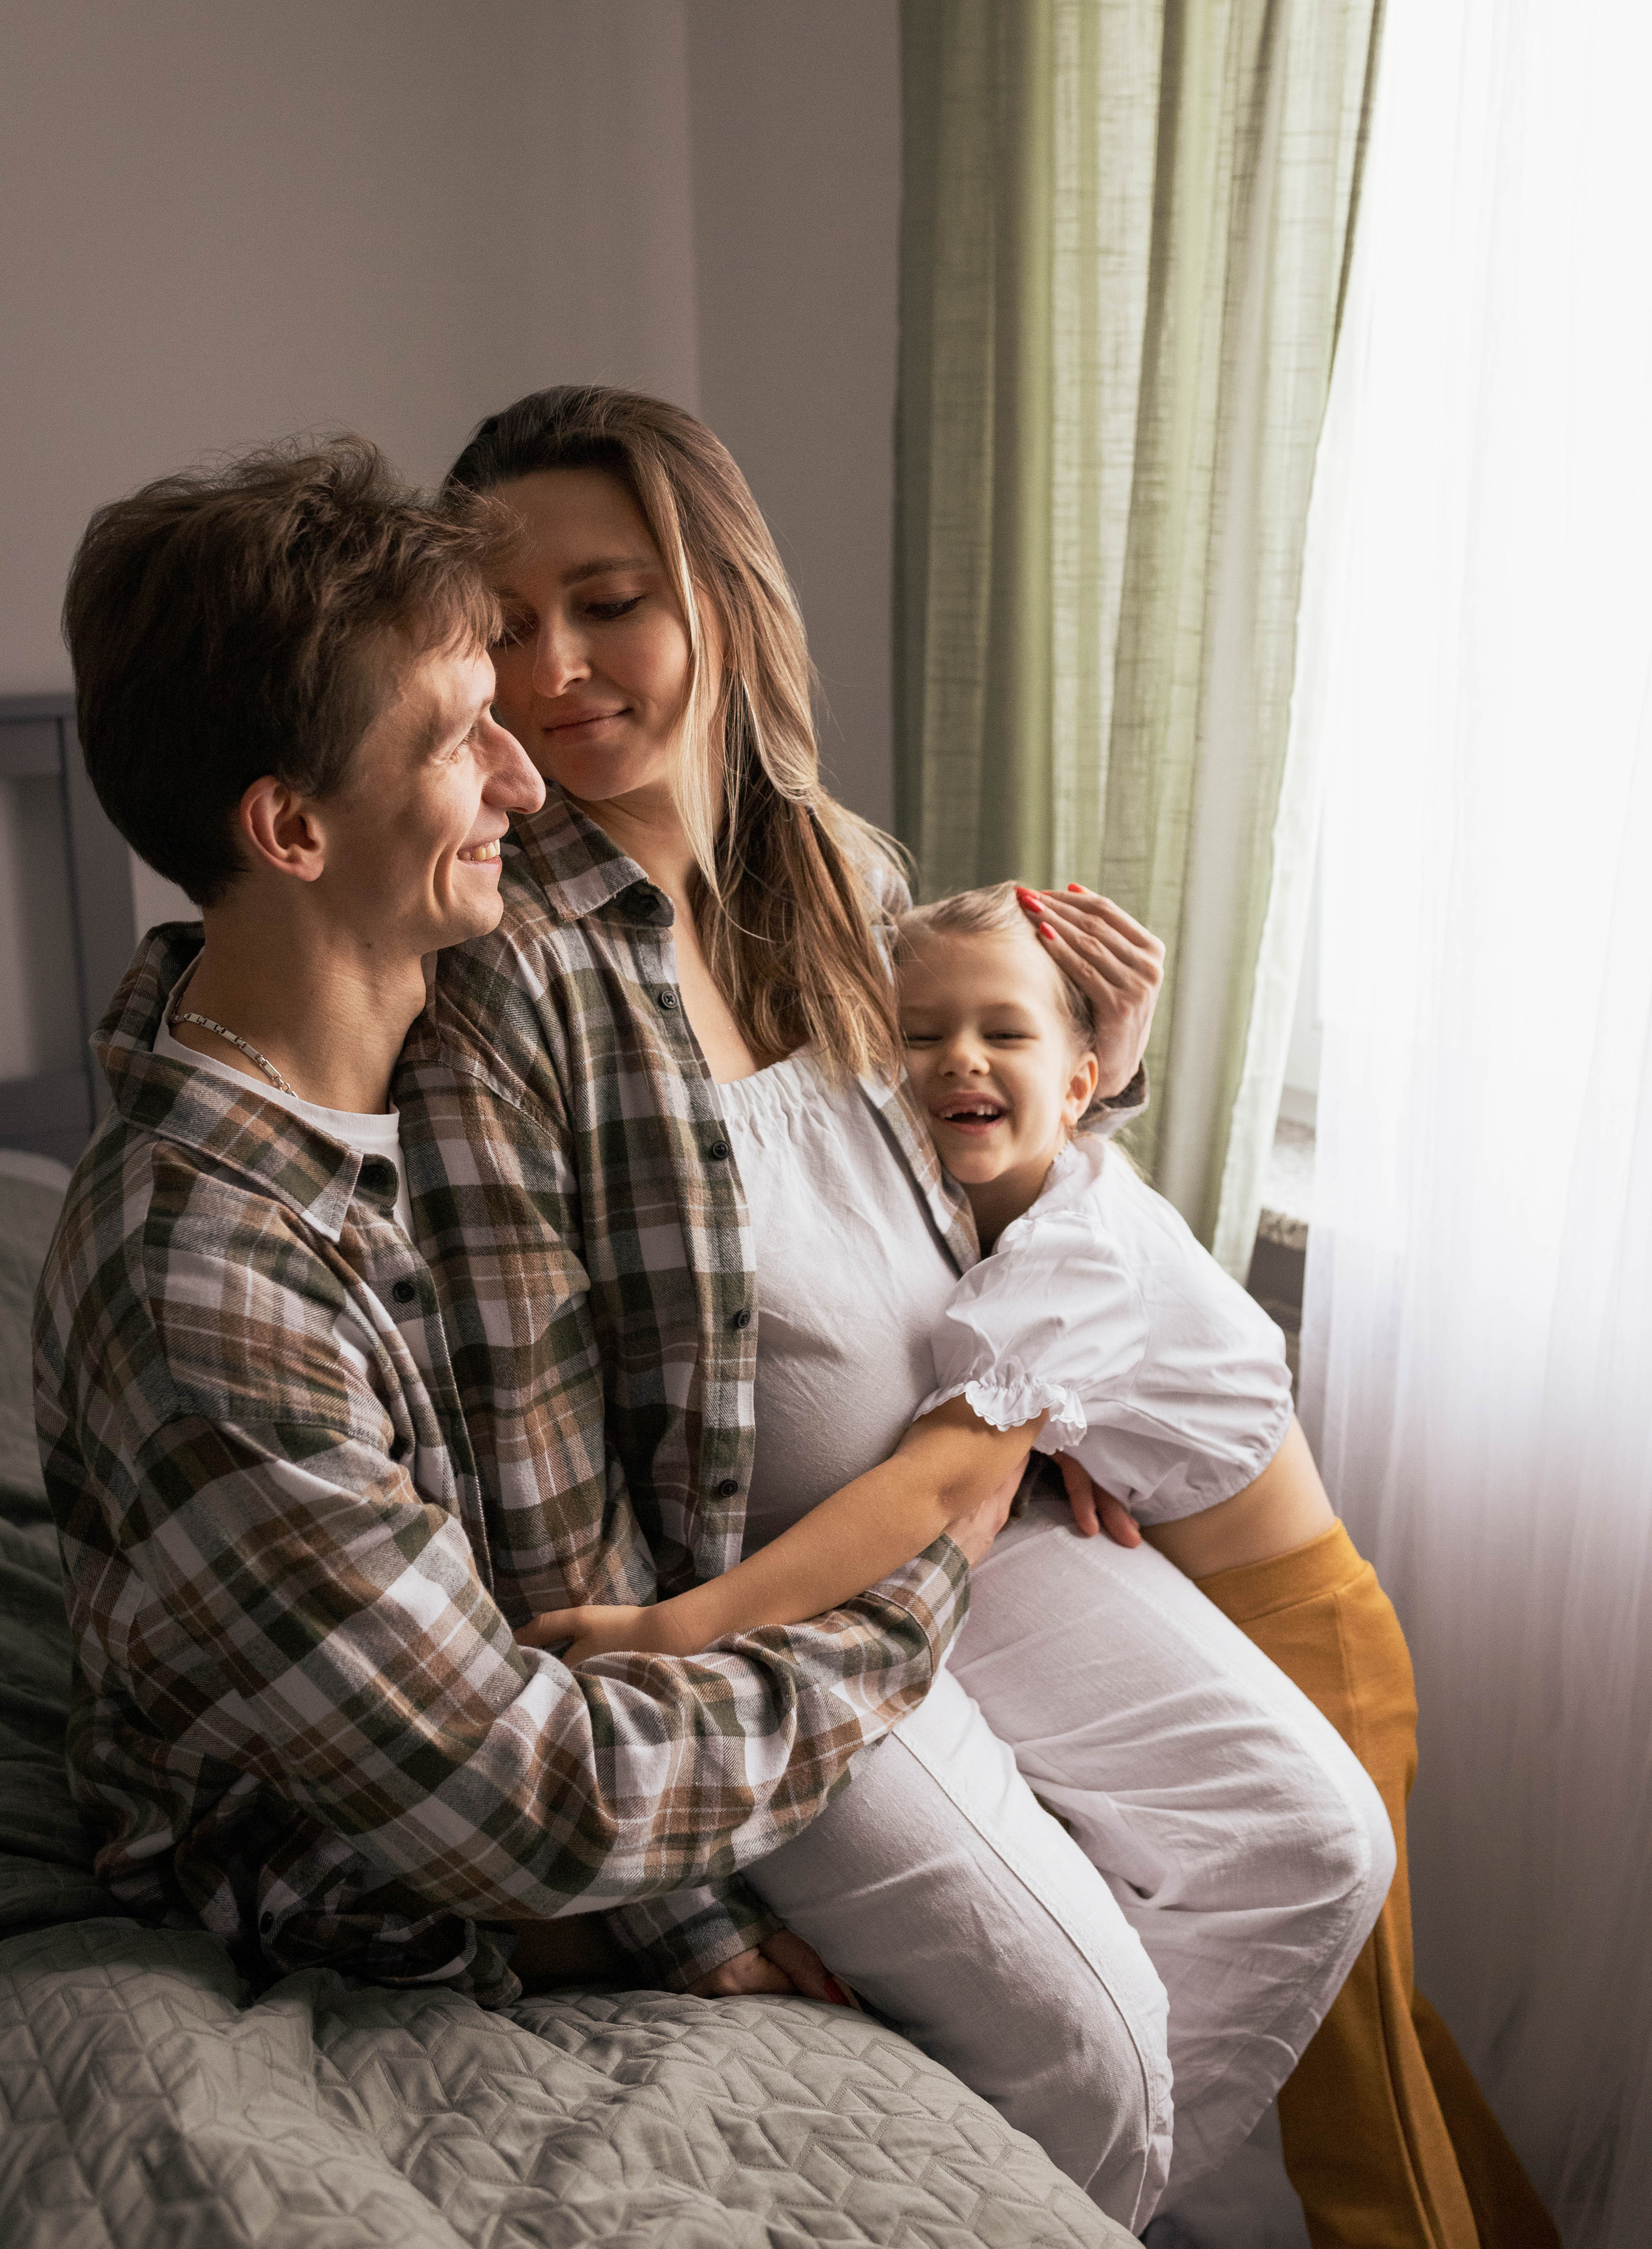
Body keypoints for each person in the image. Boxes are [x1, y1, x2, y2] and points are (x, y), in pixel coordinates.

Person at [396, 384, 1396, 2229]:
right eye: (504, 625)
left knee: (1312, 1839)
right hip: (761, 1609)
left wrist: (1050, 1366)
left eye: (608, 601)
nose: (555, 666)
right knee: (1086, 2050)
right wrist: (673, 1900)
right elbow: (536, 1477)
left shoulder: (844, 878)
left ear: (716, 596)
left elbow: (954, 1183)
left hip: (970, 1515)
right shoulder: (501, 971)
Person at [35, 439, 994, 2016]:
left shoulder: (434, 1100)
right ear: (290, 831)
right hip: (389, 1913)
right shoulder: (207, 1285)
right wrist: (923, 1579)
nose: (526, 779)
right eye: (456, 740)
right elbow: (537, 1809)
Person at [540, 878, 1558, 2248]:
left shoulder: (1073, 1242)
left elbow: (942, 1468)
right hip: (1200, 1579)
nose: (955, 1059)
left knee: (1350, 2064)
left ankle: (1074, 2216)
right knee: (1366, 2021)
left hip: (1297, 1619)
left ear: (1079, 1081)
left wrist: (687, 1626)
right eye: (917, 1036)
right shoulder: (984, 1205)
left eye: (999, 1037)